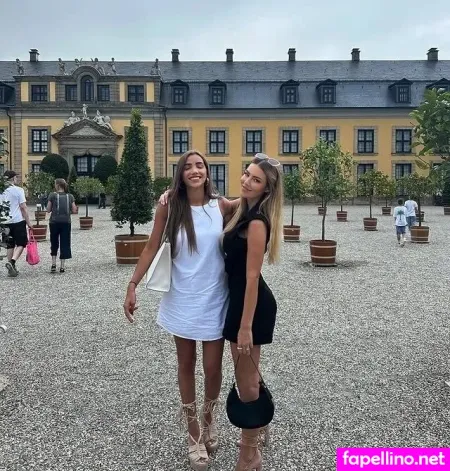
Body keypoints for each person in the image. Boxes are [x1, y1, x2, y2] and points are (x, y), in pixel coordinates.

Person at [123, 150, 237, 471]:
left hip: (214, 299)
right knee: (186, 364)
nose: (195, 171)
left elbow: (255, 198)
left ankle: (209, 419)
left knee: (213, 368)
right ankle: (193, 433)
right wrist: (132, 284)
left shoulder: (221, 206)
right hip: (182, 298)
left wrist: (267, 174)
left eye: (200, 165)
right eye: (188, 167)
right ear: (181, 174)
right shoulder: (170, 205)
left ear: (207, 171)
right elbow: (151, 245)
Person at [222, 153, 283, 471]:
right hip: (241, 302)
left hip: (252, 306)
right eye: (246, 174)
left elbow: (251, 277)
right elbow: (216, 201)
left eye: (255, 180)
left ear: (266, 190)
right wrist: (171, 193)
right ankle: (259, 427)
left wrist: (245, 327)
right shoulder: (242, 208)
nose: (246, 181)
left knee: (245, 382)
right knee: (247, 375)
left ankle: (250, 454)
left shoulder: (257, 221)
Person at [1, 170, 33, 277]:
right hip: (17, 221)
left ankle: (11, 268)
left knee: (9, 245)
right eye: (16, 177)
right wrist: (28, 222)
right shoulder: (19, 190)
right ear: (13, 178)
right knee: (21, 243)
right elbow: (23, 207)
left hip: (4, 222)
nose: (17, 179)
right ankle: (12, 262)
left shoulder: (1, 191)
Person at [46, 179, 77, 273]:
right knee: (65, 243)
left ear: (58, 185)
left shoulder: (52, 195)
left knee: (54, 242)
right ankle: (62, 266)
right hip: (66, 222)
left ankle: (53, 264)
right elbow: (74, 210)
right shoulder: (70, 196)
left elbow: (48, 209)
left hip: (54, 222)